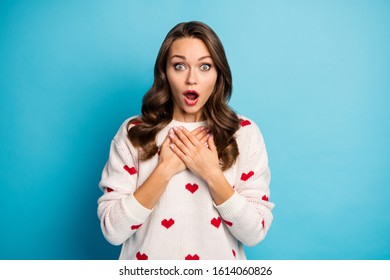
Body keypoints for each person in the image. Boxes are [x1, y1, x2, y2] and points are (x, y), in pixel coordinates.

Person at [97, 21, 274, 260]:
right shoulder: (135, 132)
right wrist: (164, 170)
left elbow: (254, 232)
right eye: (179, 66)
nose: (192, 79)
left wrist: (211, 173)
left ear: (218, 73)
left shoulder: (243, 133)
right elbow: (112, 230)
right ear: (165, 73)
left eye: (204, 66)